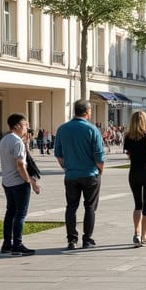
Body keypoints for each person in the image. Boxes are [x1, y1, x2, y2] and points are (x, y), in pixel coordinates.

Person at [54, 100, 105, 250]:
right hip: (90, 173)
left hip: (71, 175)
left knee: (71, 207)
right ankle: (87, 239)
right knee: (90, 207)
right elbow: (99, 155)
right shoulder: (92, 129)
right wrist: (100, 170)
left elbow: (58, 153)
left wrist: (67, 167)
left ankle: (71, 239)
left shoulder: (62, 129)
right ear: (87, 112)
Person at [0, 113, 41, 256]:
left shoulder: (4, 140)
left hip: (7, 181)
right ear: (17, 125)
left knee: (10, 212)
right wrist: (29, 181)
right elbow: (20, 165)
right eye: (25, 125)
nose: (27, 128)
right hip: (18, 182)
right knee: (20, 214)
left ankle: (7, 244)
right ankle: (17, 244)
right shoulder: (17, 142)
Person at [122, 111, 146, 248]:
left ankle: (136, 233)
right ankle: (144, 237)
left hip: (134, 173)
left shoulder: (128, 136)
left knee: (138, 204)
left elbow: (128, 153)